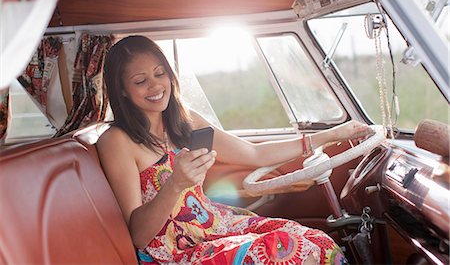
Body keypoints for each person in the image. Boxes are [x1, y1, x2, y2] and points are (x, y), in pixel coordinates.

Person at [97, 35, 373, 265]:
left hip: (216, 226)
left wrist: (330, 135)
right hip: (175, 250)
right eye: (140, 81)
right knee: (285, 250)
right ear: (121, 90)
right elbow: (139, 235)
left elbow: (254, 155)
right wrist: (176, 185)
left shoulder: (184, 119)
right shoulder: (117, 141)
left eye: (160, 74)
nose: (156, 85)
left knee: (316, 240)